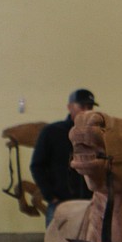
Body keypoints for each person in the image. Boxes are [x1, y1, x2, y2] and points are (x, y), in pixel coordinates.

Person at [30, 88, 96, 226]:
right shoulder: (52, 132)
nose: (86, 111)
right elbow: (37, 166)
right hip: (60, 205)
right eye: (81, 106)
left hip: (90, 205)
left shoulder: (97, 135)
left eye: (90, 107)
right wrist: (51, 197)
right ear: (70, 107)